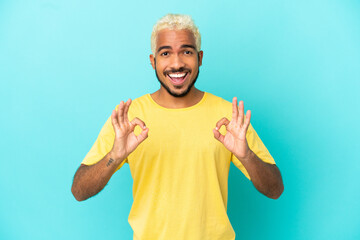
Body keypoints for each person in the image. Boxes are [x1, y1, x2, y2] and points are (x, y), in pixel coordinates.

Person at [71, 14, 284, 240]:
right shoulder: (129, 117)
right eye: (165, 53)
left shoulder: (228, 117)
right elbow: (79, 190)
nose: (177, 63)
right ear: (153, 61)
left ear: (200, 58)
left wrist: (247, 155)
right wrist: (114, 156)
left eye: (187, 51)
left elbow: (275, 189)